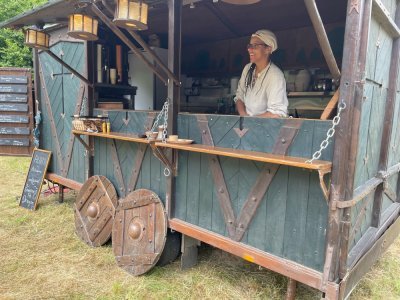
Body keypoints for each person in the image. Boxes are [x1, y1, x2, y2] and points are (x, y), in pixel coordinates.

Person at [234, 30, 288, 118]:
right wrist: (244, 117)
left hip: (266, 128)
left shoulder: (275, 76)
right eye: (250, 46)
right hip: (248, 125)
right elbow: (239, 97)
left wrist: (251, 121)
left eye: (255, 46)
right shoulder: (248, 69)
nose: (249, 49)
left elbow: (276, 113)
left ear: (268, 49)